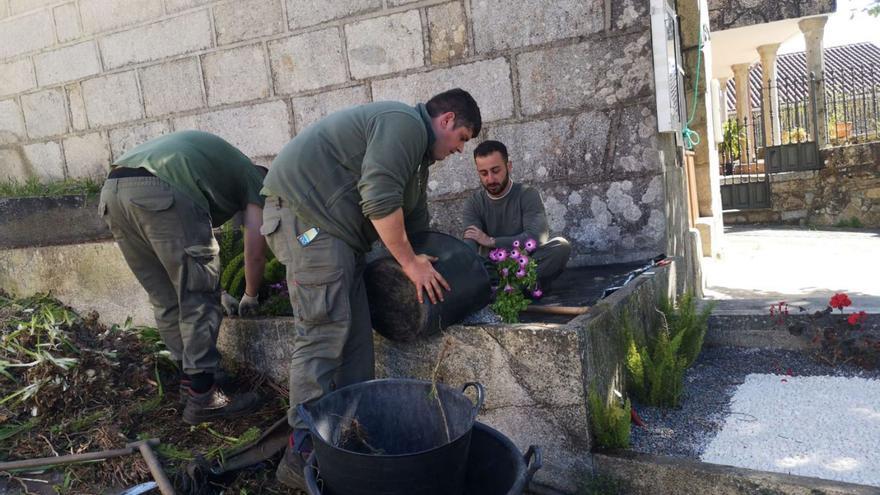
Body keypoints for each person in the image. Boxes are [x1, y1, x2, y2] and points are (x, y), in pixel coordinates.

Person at [261, 88, 482, 489]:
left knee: (357, 342)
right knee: (324, 334)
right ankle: (303, 450)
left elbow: (414, 224)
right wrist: (410, 265)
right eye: (463, 139)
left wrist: (432, 261)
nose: (460, 150)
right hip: (308, 223)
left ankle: (345, 440)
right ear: (447, 120)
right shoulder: (402, 124)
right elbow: (379, 199)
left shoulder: (416, 161)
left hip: (339, 237)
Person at [99, 130, 267, 425]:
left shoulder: (217, 165)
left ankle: (192, 381)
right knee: (198, 295)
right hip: (161, 188)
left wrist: (220, 285)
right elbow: (255, 248)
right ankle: (204, 395)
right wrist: (250, 294)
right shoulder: (256, 181)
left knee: (165, 295)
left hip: (114, 191)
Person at [462, 140, 571, 291]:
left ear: (509, 166)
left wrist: (491, 241)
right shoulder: (473, 203)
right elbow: (470, 246)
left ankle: (504, 292)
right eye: (484, 173)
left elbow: (536, 238)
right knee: (466, 265)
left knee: (560, 247)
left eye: (495, 170)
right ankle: (520, 290)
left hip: (526, 263)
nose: (490, 179)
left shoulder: (527, 195)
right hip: (494, 270)